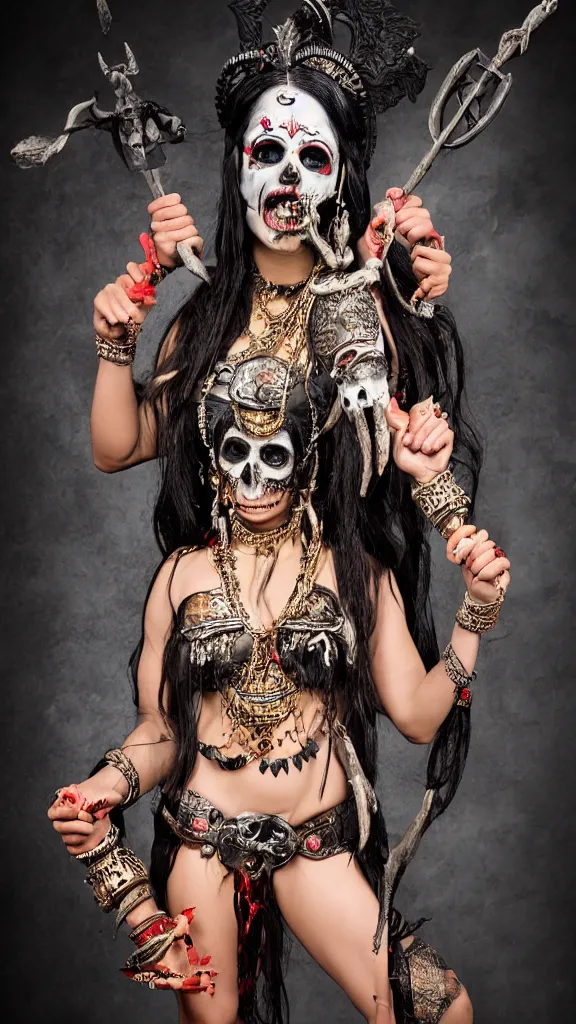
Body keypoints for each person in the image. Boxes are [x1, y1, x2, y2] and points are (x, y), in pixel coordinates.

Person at [48, 4, 510, 1022]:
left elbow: (415, 430)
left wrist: (419, 297)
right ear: (236, 169)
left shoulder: (375, 305)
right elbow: (120, 445)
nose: (290, 177)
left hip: (335, 599)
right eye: (268, 150)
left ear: (343, 174)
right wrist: (117, 339)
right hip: (221, 618)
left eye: (315, 153)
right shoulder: (207, 319)